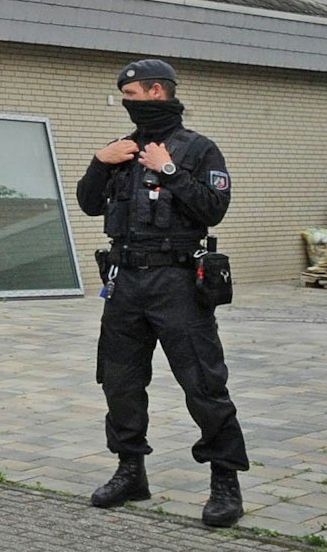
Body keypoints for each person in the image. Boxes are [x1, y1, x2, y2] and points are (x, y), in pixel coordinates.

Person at [75, 58, 247, 528]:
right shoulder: (122, 148)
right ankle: (131, 471)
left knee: (202, 381)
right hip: (125, 281)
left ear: (156, 92)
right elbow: (90, 205)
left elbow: (214, 208)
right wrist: (98, 161)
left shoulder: (198, 149)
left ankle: (225, 480)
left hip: (176, 283)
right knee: (120, 380)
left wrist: (167, 169)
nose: (126, 105)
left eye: (131, 96)